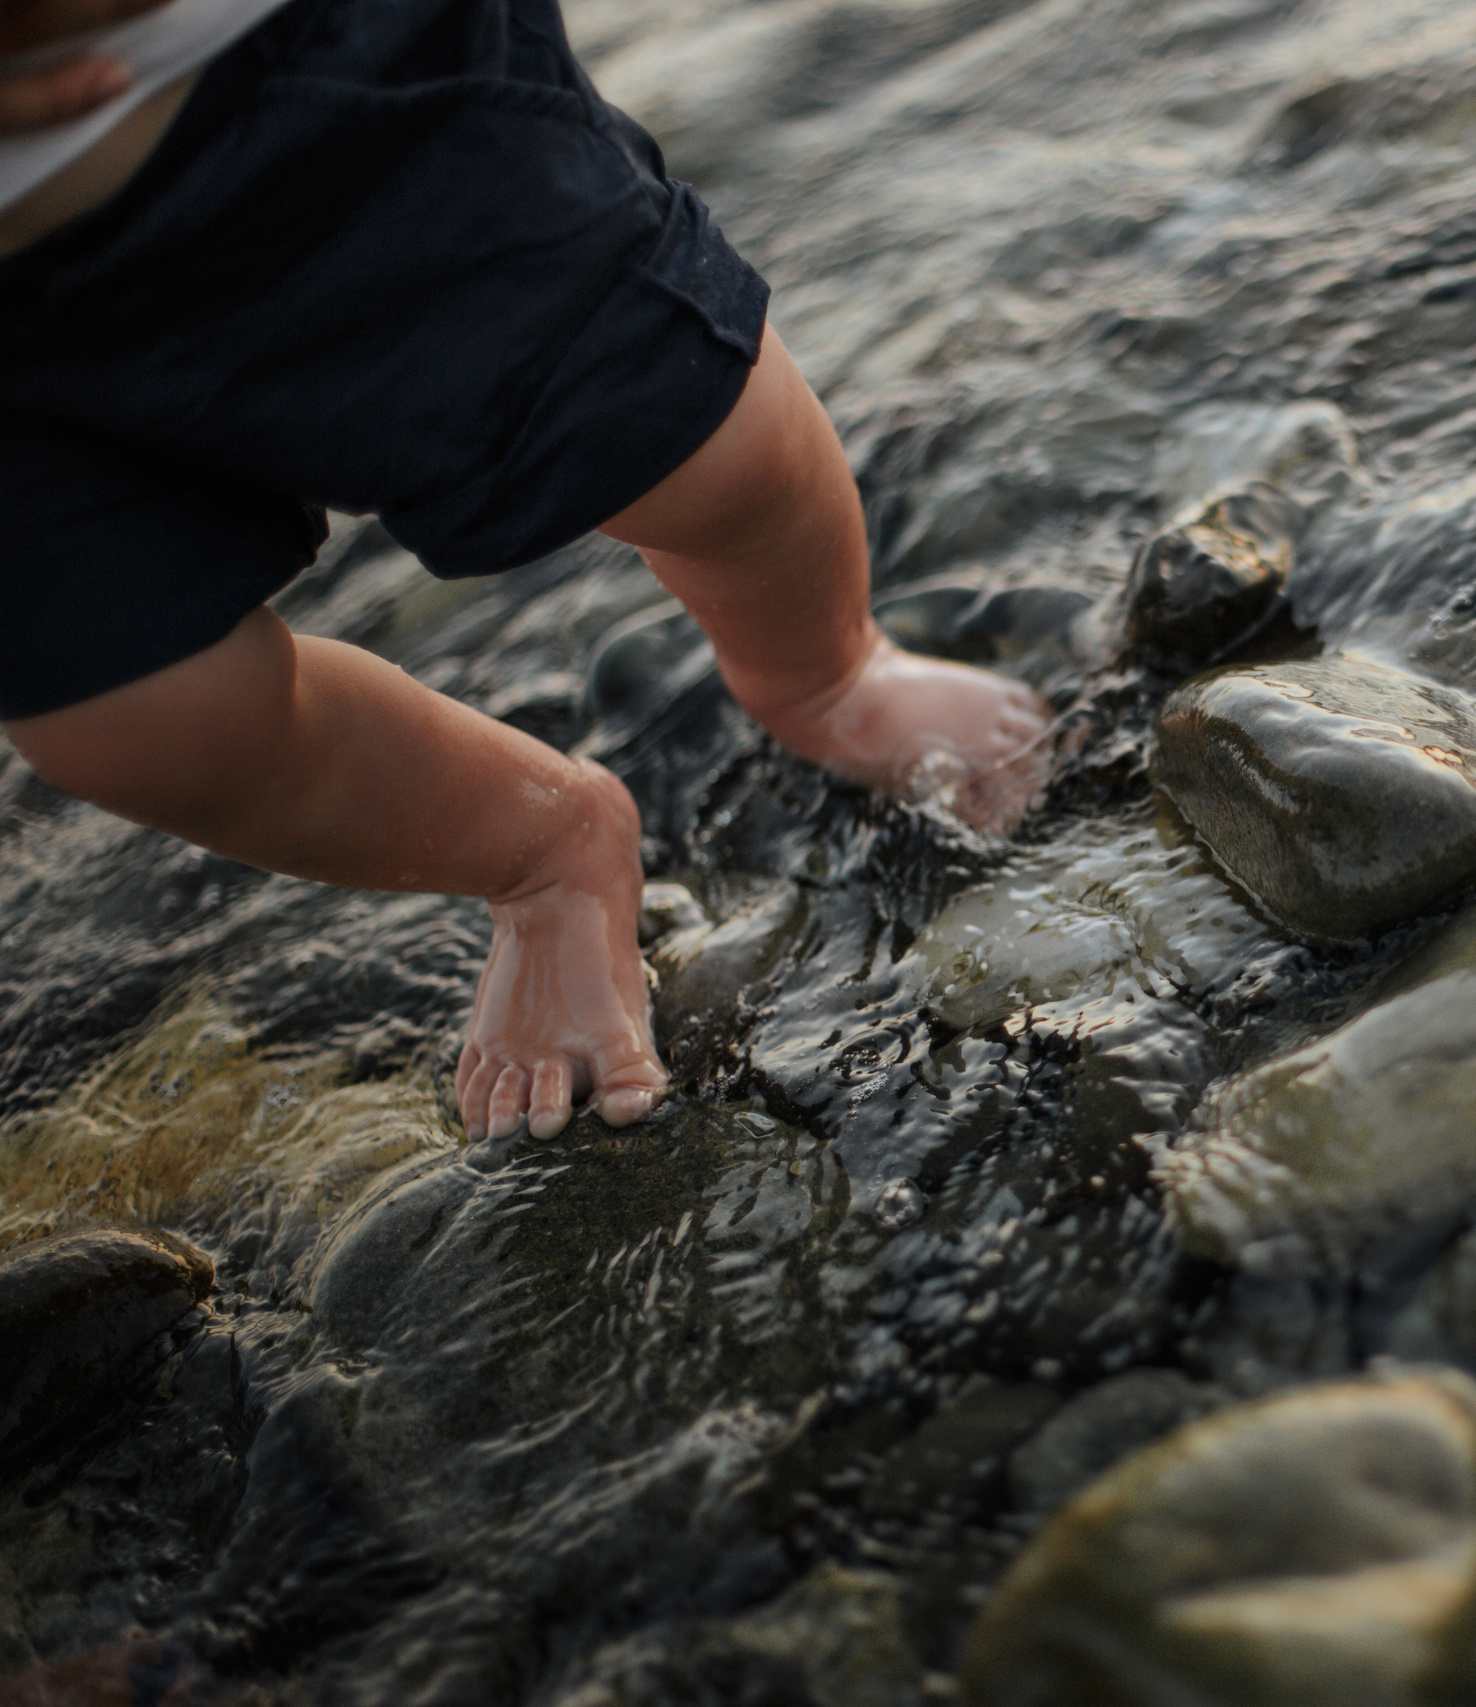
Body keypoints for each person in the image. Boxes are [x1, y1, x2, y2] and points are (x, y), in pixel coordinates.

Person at [0, 0, 1051, 1145]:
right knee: (131, 714)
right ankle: (543, 847)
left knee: (697, 441)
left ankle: (827, 673)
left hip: (278, 68)